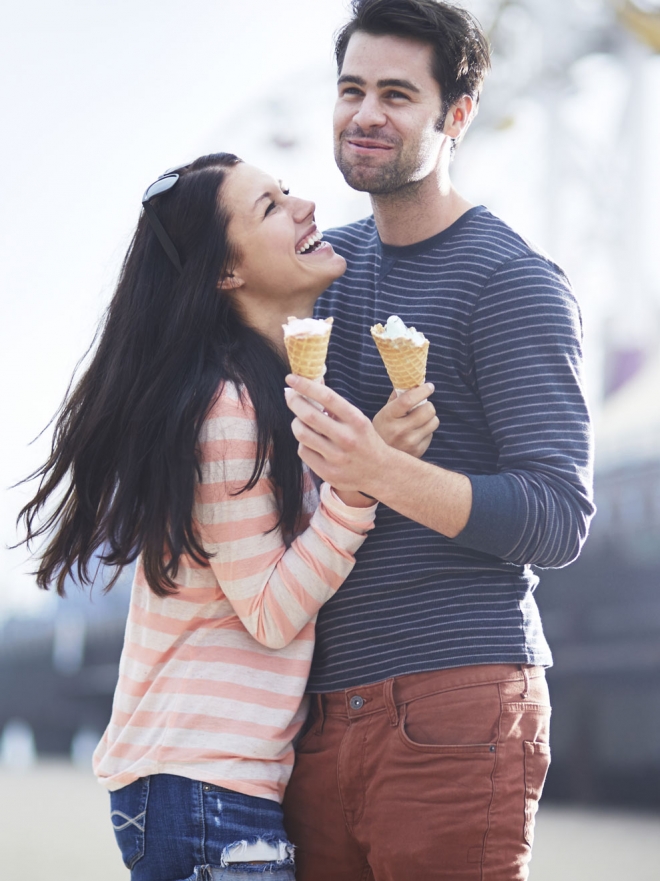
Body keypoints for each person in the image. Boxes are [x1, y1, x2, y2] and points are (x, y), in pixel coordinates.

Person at [18, 152, 437, 880]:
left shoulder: (262, 390)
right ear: (225, 274)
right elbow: (272, 611)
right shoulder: (230, 408)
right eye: (270, 207)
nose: (306, 204)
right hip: (204, 786)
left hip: (201, 785)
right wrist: (364, 482)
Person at [282, 2, 595, 880]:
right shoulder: (319, 273)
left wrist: (380, 471)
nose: (365, 114)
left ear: (455, 116)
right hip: (313, 713)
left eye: (396, 93)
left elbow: (559, 514)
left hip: (456, 697)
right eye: (351, 90)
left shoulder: (513, 281)